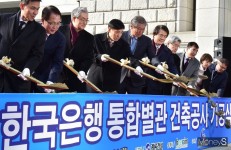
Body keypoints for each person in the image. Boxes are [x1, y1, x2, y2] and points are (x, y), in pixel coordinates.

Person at [0, 0, 46, 92]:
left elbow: (37, 55)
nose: (35, 12)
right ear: (22, 6)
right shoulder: (3, 19)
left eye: (37, 9)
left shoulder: (39, 31)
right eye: (33, 8)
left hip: (18, 82)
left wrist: (28, 68)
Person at [87, 19, 141, 93]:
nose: (119, 35)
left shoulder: (124, 44)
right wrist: (100, 57)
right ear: (109, 29)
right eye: (116, 32)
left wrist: (137, 66)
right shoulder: (96, 39)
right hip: (96, 78)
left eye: (121, 32)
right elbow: (89, 54)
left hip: (112, 81)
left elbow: (130, 57)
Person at [59, 7, 94, 93]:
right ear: (74, 18)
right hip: (58, 78)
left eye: (86, 20)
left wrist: (83, 70)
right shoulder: (60, 31)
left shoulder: (89, 38)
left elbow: (89, 58)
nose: (85, 22)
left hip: (77, 79)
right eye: (82, 19)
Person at [31, 5, 66, 93]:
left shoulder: (60, 38)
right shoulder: (32, 29)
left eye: (58, 23)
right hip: (24, 75)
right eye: (51, 23)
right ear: (43, 20)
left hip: (43, 78)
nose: (55, 27)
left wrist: (51, 81)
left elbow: (57, 62)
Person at [118, 16, 154, 94]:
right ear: (131, 26)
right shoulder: (121, 36)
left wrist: (158, 65)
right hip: (120, 76)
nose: (140, 31)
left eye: (143, 29)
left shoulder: (147, 40)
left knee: (134, 103)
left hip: (136, 79)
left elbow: (152, 56)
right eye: (138, 28)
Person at [146, 25, 178, 95]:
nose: (163, 38)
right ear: (154, 34)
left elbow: (172, 66)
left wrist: (176, 75)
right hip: (144, 83)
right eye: (161, 35)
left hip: (158, 85)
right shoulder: (146, 45)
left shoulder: (168, 51)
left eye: (165, 36)